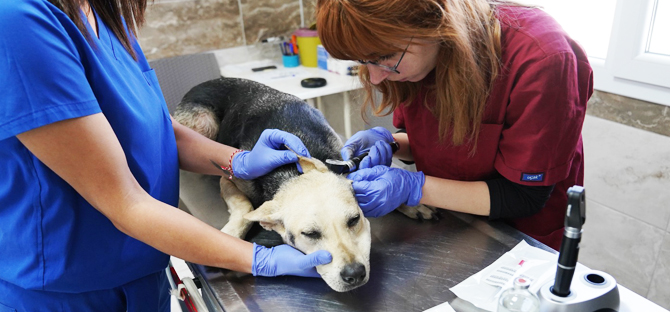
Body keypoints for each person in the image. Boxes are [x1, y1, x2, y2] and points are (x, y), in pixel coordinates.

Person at [0, 0, 331, 311]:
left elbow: (159, 128)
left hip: (144, 275)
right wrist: (260, 259)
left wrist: (238, 161)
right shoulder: (18, 22)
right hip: (66, 294)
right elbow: (125, 203)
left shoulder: (103, 13)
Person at [316, 0, 593, 251]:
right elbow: (432, 142)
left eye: (384, 57)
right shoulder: (421, 58)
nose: (375, 78)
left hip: (521, 240)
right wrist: (391, 143)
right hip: (454, 225)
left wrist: (412, 188)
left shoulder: (542, 58)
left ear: (435, 21)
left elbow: (524, 196)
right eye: (364, 62)